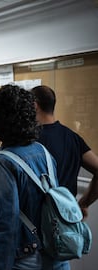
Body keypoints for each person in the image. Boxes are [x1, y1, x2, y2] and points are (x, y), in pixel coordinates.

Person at [0, 84, 69, 270]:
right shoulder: (44, 152)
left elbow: (6, 224)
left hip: (24, 260)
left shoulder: (2, 163)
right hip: (55, 257)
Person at [31, 85, 98, 218]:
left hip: (38, 221)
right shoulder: (72, 137)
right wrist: (84, 203)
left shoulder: (30, 140)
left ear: (34, 105)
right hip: (67, 218)